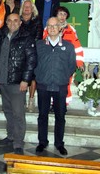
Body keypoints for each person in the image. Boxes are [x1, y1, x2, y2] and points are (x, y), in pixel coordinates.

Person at [0, 13, 37, 155]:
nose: (12, 23)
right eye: (10, 21)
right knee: (7, 111)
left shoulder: (26, 37)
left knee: (18, 114)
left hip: (18, 82)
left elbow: (31, 61)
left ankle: (18, 142)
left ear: (20, 22)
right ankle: (11, 136)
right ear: (6, 22)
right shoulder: (2, 36)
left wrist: (25, 80)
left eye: (15, 21)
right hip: (3, 80)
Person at [35, 17, 76, 156]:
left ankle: (59, 144)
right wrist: (40, 76)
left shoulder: (68, 46)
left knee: (60, 116)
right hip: (43, 85)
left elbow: (71, 66)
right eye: (49, 26)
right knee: (42, 115)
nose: (52, 28)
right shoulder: (39, 45)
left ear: (60, 28)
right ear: (46, 28)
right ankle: (42, 142)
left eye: (55, 26)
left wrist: (62, 78)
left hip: (60, 86)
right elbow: (34, 64)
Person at [19, 0, 43, 112]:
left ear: (33, 8)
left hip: (33, 50)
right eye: (25, 7)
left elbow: (39, 36)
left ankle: (31, 100)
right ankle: (21, 99)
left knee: (32, 76)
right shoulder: (18, 19)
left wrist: (30, 48)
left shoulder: (37, 20)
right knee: (21, 75)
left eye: (29, 7)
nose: (27, 9)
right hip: (19, 51)